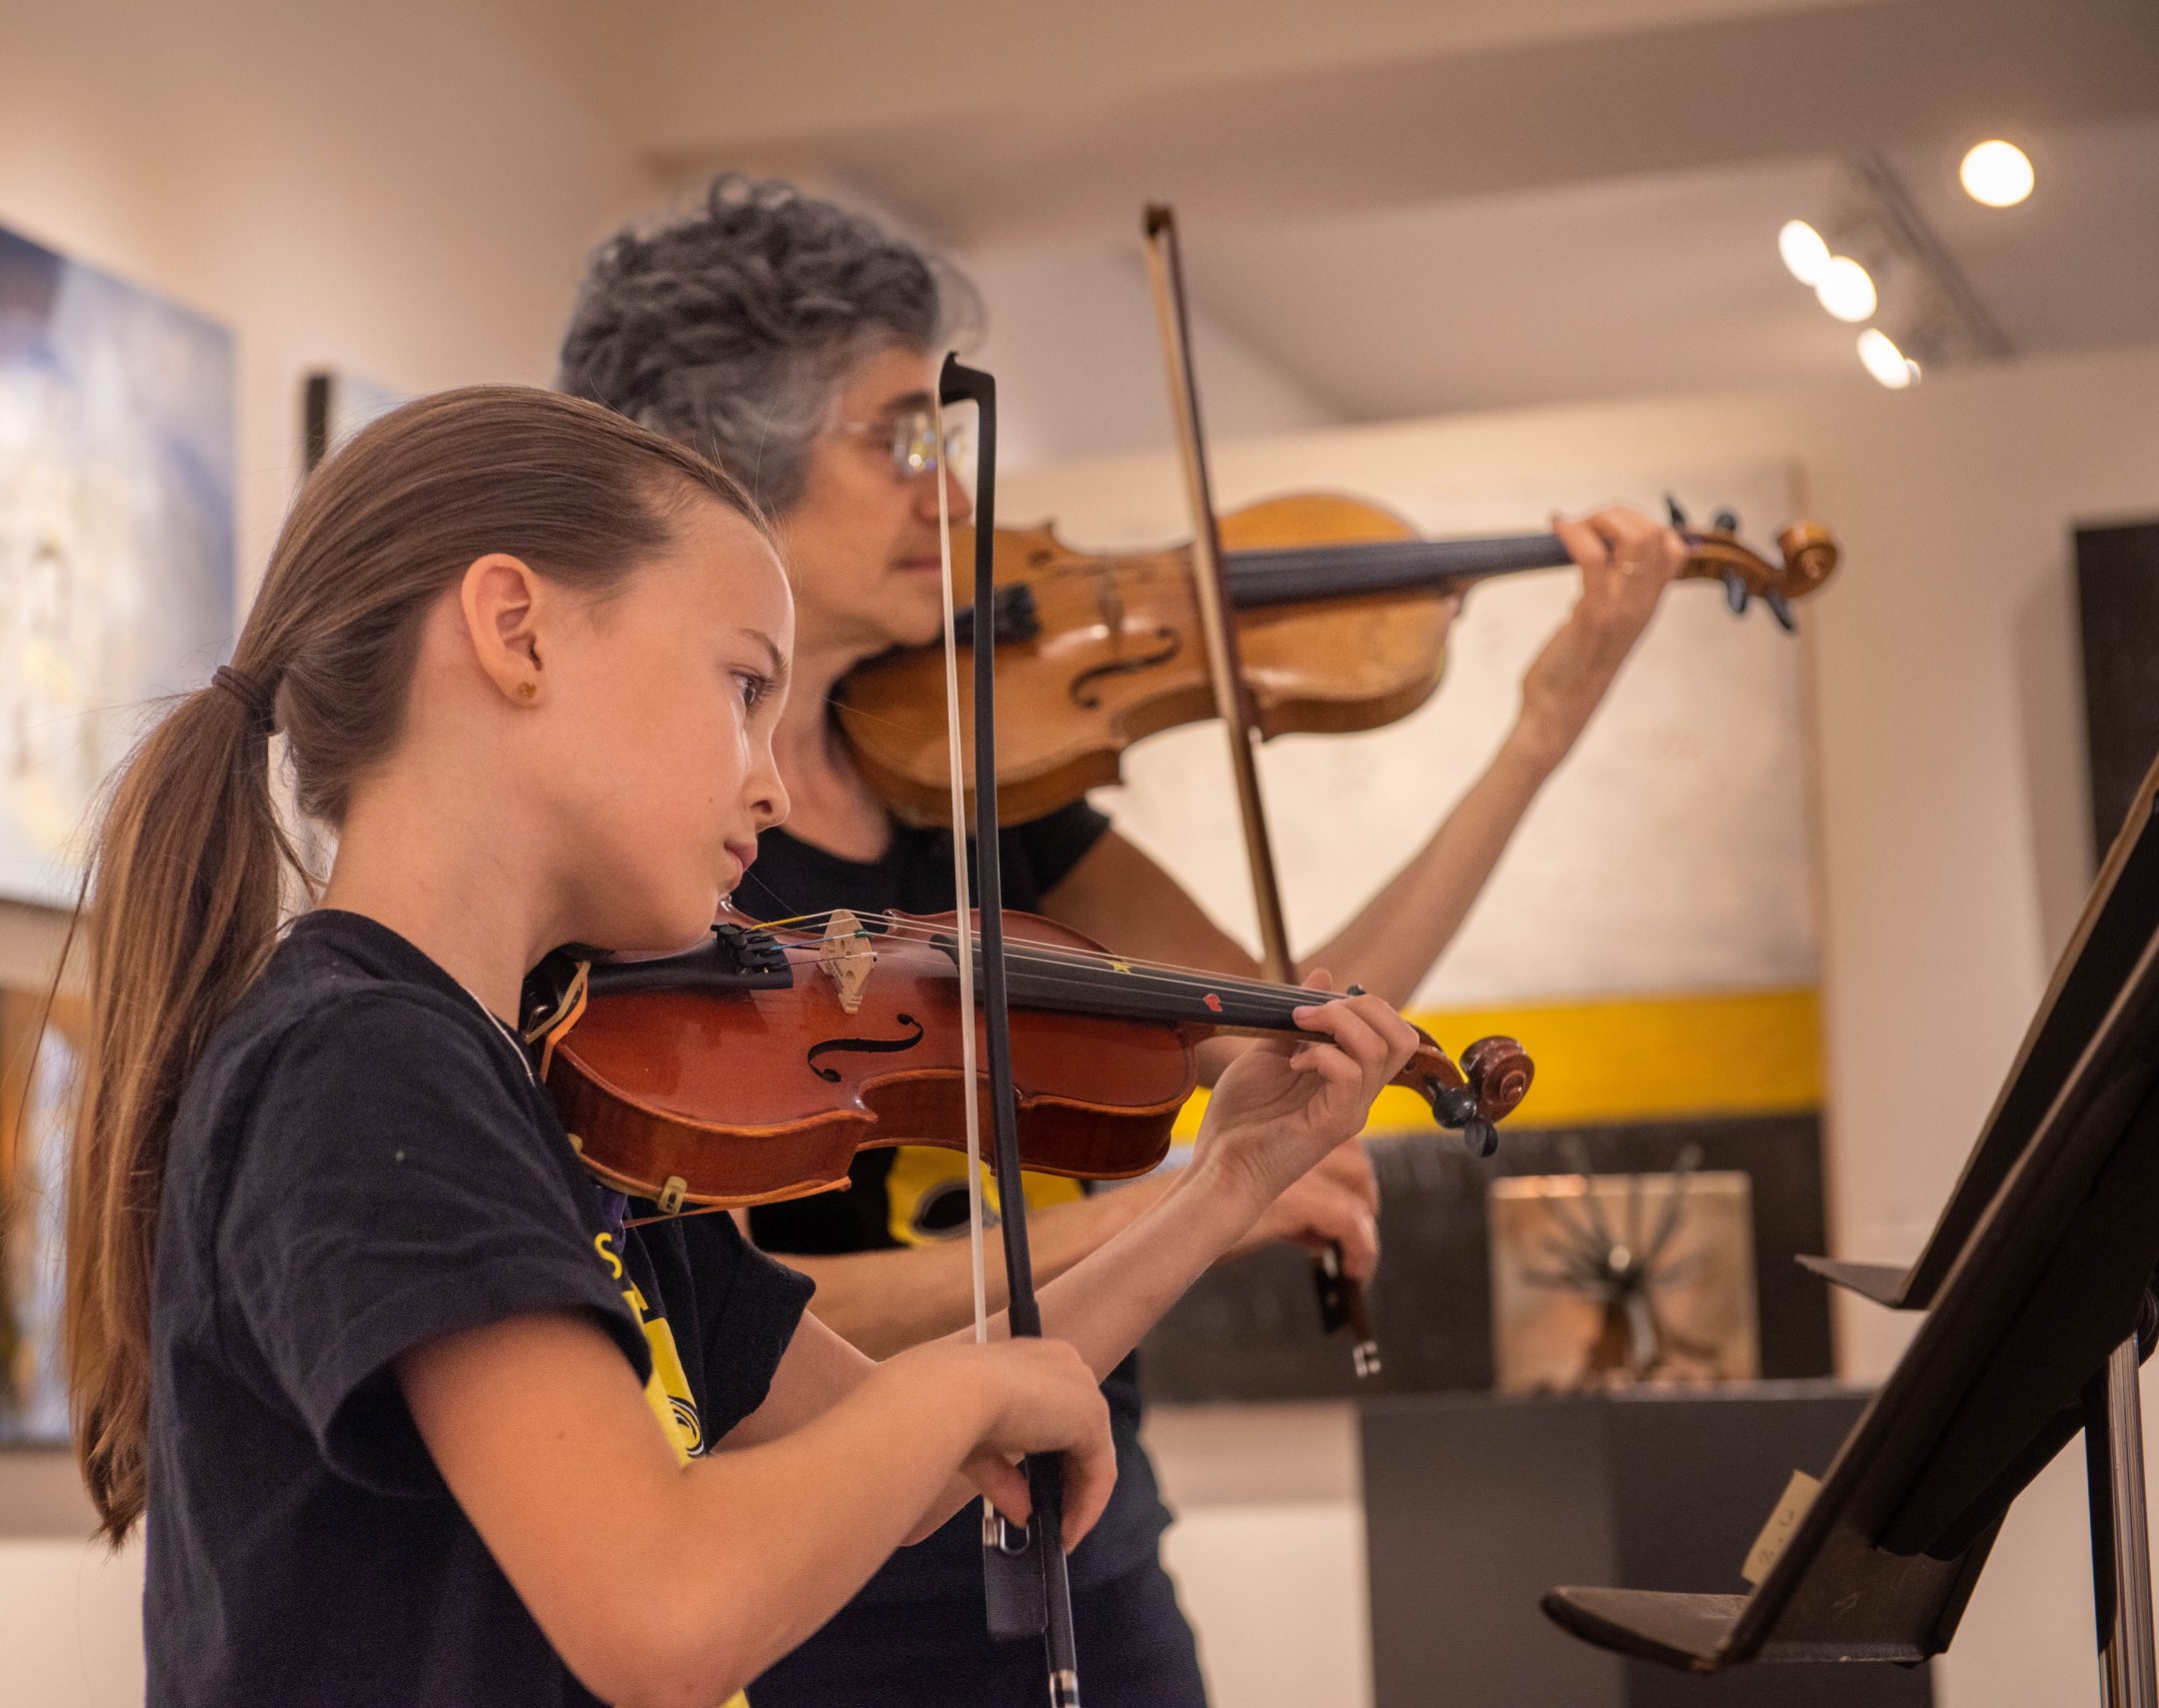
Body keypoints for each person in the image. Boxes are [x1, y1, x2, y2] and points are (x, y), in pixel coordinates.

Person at [61, 385, 1422, 1707]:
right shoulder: (359, 1063)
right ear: (516, 629)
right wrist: (961, 1393)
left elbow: (884, 1456)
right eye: (742, 684)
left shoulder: (546, 1086)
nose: (772, 780)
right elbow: (664, 1610)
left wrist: (1227, 1183)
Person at [560, 177, 1684, 1703]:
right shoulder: (651, 868)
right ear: (722, 451)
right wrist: (1162, 1212)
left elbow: (1295, 1021)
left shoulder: (975, 776)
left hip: (1076, 1531)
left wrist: (1535, 740)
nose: (948, 494)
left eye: (942, 441)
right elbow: (724, 1298)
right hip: (820, 1584)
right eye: (896, 437)